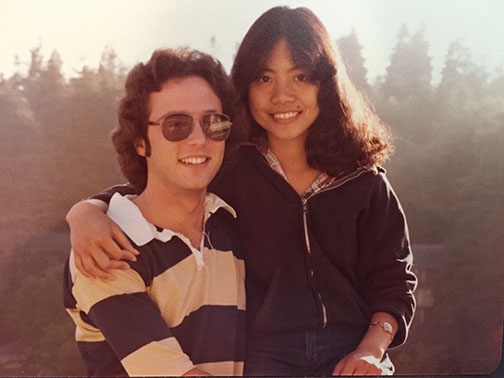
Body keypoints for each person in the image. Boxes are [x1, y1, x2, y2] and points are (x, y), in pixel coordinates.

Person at [66, 6, 417, 376]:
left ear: (325, 83)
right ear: (245, 86)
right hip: (263, 355)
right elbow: (162, 185)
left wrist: (372, 349)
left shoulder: (364, 181)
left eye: (300, 76)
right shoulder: (230, 168)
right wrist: (87, 212)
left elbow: (394, 277)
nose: (282, 95)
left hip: (354, 350)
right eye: (264, 78)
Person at [63, 48, 246, 376]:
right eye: (177, 125)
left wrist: (85, 208)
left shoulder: (228, 225)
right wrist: (85, 214)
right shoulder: (105, 250)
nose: (199, 139)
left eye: (213, 123)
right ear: (140, 142)